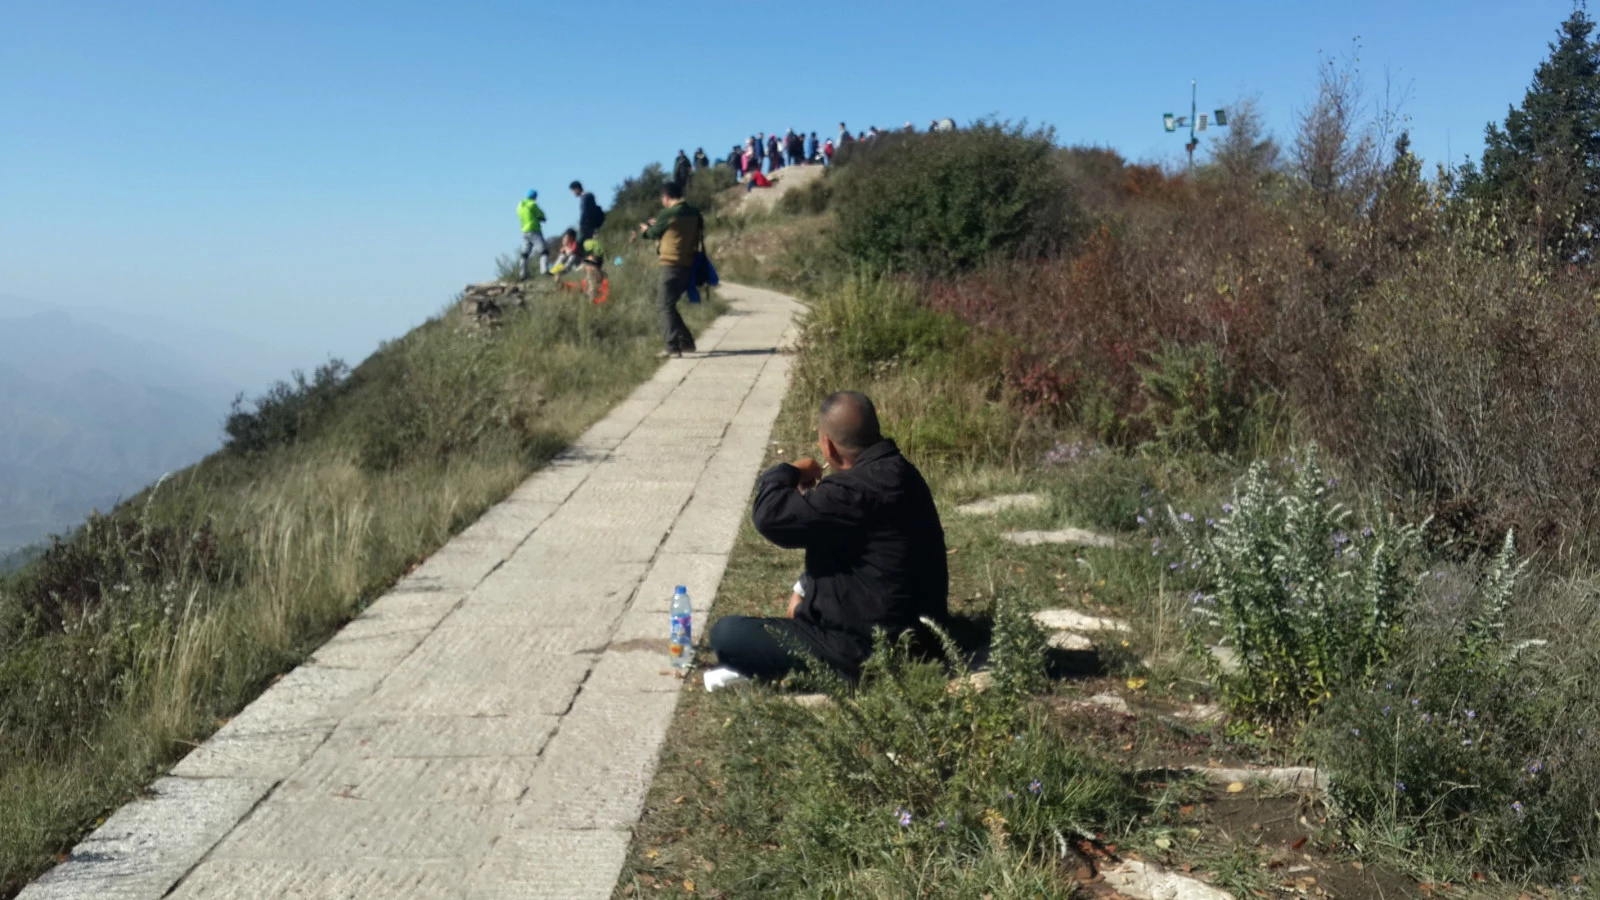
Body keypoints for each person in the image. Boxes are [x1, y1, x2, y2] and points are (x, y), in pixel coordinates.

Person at [706, 391, 949, 682]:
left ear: (828, 446)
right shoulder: (901, 472)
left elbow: (769, 516)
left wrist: (789, 471)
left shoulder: (851, 492)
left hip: (870, 651)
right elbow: (850, 546)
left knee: (728, 634)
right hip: (922, 639)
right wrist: (804, 591)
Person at [635, 181, 703, 357]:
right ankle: (686, 342)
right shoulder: (693, 212)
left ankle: (672, 347)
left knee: (663, 306)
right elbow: (677, 228)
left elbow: (653, 233)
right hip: (688, 264)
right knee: (669, 305)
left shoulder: (668, 213)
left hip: (671, 264)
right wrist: (659, 223)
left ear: (665, 197)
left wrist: (645, 229)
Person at [517, 189, 548, 279]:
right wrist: (542, 218)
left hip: (524, 231)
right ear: (534, 196)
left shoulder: (520, 206)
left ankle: (522, 275)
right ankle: (544, 271)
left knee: (524, 254)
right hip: (534, 230)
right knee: (543, 251)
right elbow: (540, 214)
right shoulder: (532, 204)